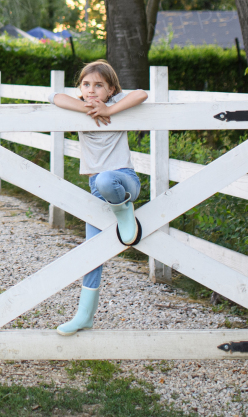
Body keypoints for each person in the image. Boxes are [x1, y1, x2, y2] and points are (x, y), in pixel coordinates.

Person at [50, 60, 148, 336]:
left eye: (99, 86)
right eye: (86, 84)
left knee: (106, 178)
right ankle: (85, 315)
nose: (91, 90)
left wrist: (110, 109)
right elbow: (54, 97)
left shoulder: (118, 102)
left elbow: (142, 93)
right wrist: (87, 107)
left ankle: (125, 212)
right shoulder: (80, 105)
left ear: (111, 89)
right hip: (97, 191)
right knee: (91, 253)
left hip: (123, 181)